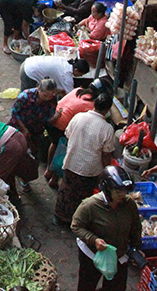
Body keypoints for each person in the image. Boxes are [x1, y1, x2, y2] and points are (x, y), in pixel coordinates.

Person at [71, 166, 142, 291]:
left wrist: (136, 247)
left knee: (116, 287)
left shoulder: (129, 204)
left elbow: (136, 227)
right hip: (92, 255)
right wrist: (94, 240)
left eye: (125, 191)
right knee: (87, 285)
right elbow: (76, 226)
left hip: (119, 255)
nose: (122, 194)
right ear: (107, 189)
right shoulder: (89, 205)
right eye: (117, 191)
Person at [55, 93, 116, 225]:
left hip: (72, 161)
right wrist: (106, 170)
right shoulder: (107, 129)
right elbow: (106, 154)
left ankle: (60, 216)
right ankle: (77, 222)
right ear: (106, 110)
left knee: (66, 190)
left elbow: (68, 136)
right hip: (90, 169)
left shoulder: (79, 117)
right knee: (82, 195)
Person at [45, 83, 100, 188]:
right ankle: (54, 179)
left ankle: (48, 170)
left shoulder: (78, 90)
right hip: (61, 125)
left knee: (54, 144)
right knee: (62, 151)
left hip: (52, 118)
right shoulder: (91, 106)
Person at [10, 78, 61, 187]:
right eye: (45, 95)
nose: (47, 98)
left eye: (50, 95)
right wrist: (24, 129)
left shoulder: (52, 100)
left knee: (31, 156)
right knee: (16, 151)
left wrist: (54, 118)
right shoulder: (25, 96)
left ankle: (25, 178)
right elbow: (14, 112)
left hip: (36, 131)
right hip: (19, 129)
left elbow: (48, 118)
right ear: (38, 89)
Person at [21, 56, 90, 94]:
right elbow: (70, 95)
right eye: (81, 74)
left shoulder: (65, 61)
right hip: (29, 72)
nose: (80, 76)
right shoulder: (66, 76)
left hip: (28, 62)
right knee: (27, 96)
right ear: (76, 70)